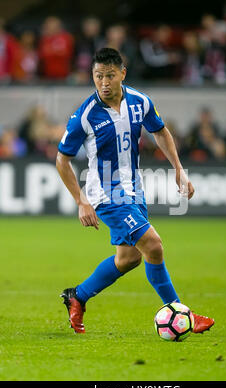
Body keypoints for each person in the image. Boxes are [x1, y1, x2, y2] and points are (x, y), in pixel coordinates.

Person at [56, 47, 214, 335]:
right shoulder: (85, 115)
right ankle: (183, 315)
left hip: (134, 191)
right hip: (106, 195)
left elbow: (160, 131)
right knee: (153, 244)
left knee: (129, 258)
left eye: (109, 76)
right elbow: (61, 160)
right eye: (98, 76)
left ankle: (77, 296)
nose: (103, 82)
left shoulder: (140, 102)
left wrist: (178, 169)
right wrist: (81, 201)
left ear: (122, 74)